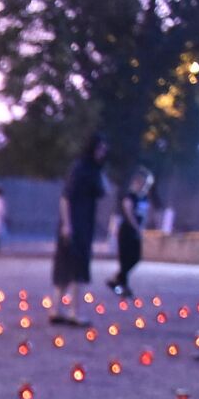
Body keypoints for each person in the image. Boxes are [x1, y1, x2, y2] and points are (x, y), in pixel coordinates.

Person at [51, 134, 108, 326]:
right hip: (75, 225)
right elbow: (65, 198)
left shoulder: (93, 170)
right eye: (100, 148)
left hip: (84, 224)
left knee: (71, 267)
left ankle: (57, 309)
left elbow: (103, 191)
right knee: (74, 268)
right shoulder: (81, 169)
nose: (103, 152)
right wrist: (67, 224)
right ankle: (72, 312)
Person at [107, 167, 152, 296]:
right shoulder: (129, 196)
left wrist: (142, 228)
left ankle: (116, 280)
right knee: (125, 259)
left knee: (136, 257)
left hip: (136, 232)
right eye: (144, 182)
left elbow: (144, 214)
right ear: (137, 182)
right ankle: (122, 287)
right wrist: (136, 227)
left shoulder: (144, 198)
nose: (145, 186)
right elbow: (128, 213)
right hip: (127, 231)